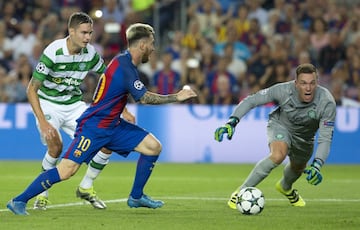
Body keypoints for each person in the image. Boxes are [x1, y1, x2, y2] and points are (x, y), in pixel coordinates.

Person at [7, 22, 197, 215]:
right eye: (151, 43)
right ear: (142, 45)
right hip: (95, 127)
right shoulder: (125, 68)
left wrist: (123, 112)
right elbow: (145, 98)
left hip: (113, 126)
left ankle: (136, 197)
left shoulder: (124, 63)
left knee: (153, 147)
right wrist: (177, 96)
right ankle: (19, 200)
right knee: (66, 170)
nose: (153, 48)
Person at [25, 12, 134, 210]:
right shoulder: (53, 52)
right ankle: (42, 193)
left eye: (90, 33)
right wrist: (42, 121)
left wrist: (123, 109)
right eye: (84, 33)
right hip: (49, 104)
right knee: (55, 147)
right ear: (71, 31)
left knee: (107, 139)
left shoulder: (90, 53)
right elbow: (31, 89)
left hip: (74, 105)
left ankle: (86, 186)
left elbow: (109, 80)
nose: (88, 37)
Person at [214, 63, 336, 208]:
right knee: (278, 155)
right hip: (281, 125)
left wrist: (317, 165)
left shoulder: (326, 102)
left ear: (317, 83)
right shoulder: (282, 90)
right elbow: (252, 100)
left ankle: (285, 187)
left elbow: (325, 138)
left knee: (298, 168)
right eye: (303, 83)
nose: (308, 88)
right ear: (296, 83)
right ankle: (240, 192)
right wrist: (232, 122)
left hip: (305, 138)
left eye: (312, 83)